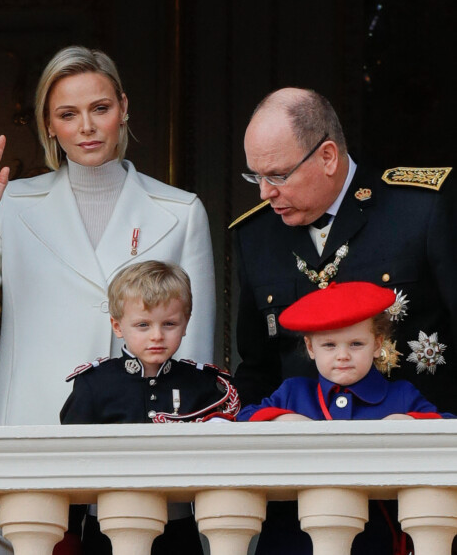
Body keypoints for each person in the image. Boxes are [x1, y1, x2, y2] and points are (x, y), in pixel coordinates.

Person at [0, 46, 215, 554]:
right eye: (68, 113)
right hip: (30, 437)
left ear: (123, 108)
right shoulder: (11, 204)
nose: (87, 126)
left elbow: (198, 355)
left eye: (100, 108)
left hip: (142, 451)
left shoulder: (181, 211)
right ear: (49, 124)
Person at [231, 87, 457, 416]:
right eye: (256, 176)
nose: (265, 193)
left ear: (328, 157)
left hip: (419, 444)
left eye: (278, 176)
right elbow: (257, 369)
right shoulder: (255, 236)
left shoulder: (421, 209)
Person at [237, 281, 453, 555]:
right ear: (310, 347)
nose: (342, 356)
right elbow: (243, 420)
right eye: (329, 344)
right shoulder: (293, 393)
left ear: (377, 343)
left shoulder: (400, 396)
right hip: (292, 538)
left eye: (355, 343)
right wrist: (278, 420)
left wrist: (409, 423)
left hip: (374, 539)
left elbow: (446, 427)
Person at [60, 260, 239, 555]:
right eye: (143, 325)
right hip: (105, 530)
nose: (157, 335)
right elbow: (71, 463)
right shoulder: (95, 385)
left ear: (186, 322)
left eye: (168, 324)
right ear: (117, 325)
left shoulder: (203, 385)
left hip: (177, 530)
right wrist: (67, 536)